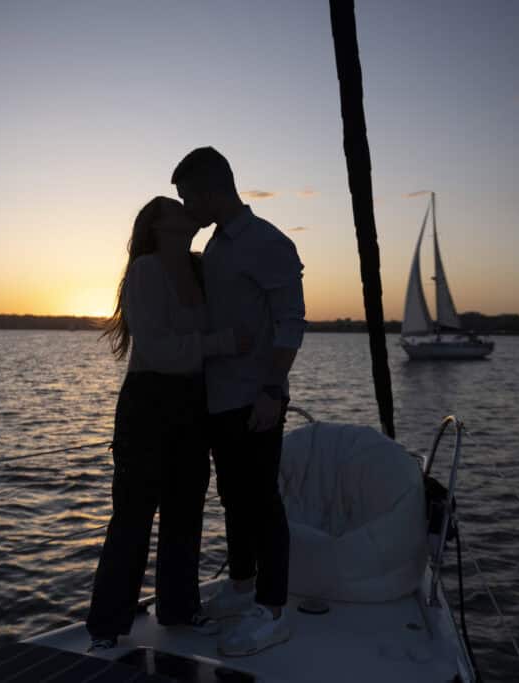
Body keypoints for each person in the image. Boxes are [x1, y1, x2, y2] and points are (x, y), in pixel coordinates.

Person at [85, 196, 247, 651]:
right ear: (159, 226)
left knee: (186, 511)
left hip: (193, 402)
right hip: (150, 400)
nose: (186, 209)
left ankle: (179, 607)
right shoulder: (146, 271)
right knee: (133, 516)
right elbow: (156, 349)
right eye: (177, 208)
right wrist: (224, 342)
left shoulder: (199, 268)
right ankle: (106, 625)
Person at [172, 147, 306, 656]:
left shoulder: (268, 243)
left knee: (262, 502)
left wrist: (272, 390)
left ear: (211, 189)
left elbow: (291, 321)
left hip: (256, 397)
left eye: (189, 197)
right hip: (219, 398)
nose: (188, 207)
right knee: (232, 496)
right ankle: (244, 584)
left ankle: (273, 611)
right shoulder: (217, 247)